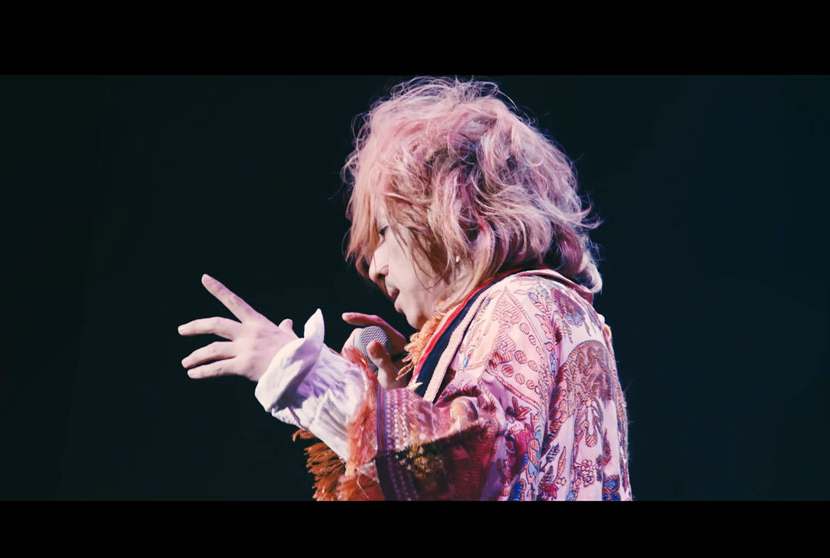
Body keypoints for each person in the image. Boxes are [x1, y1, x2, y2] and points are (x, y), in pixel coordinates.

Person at [177, 77, 632, 501]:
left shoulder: (520, 302)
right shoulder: (552, 307)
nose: (374, 268)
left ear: (454, 214)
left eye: (384, 231)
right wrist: (406, 395)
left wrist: (299, 371)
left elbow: (469, 464)